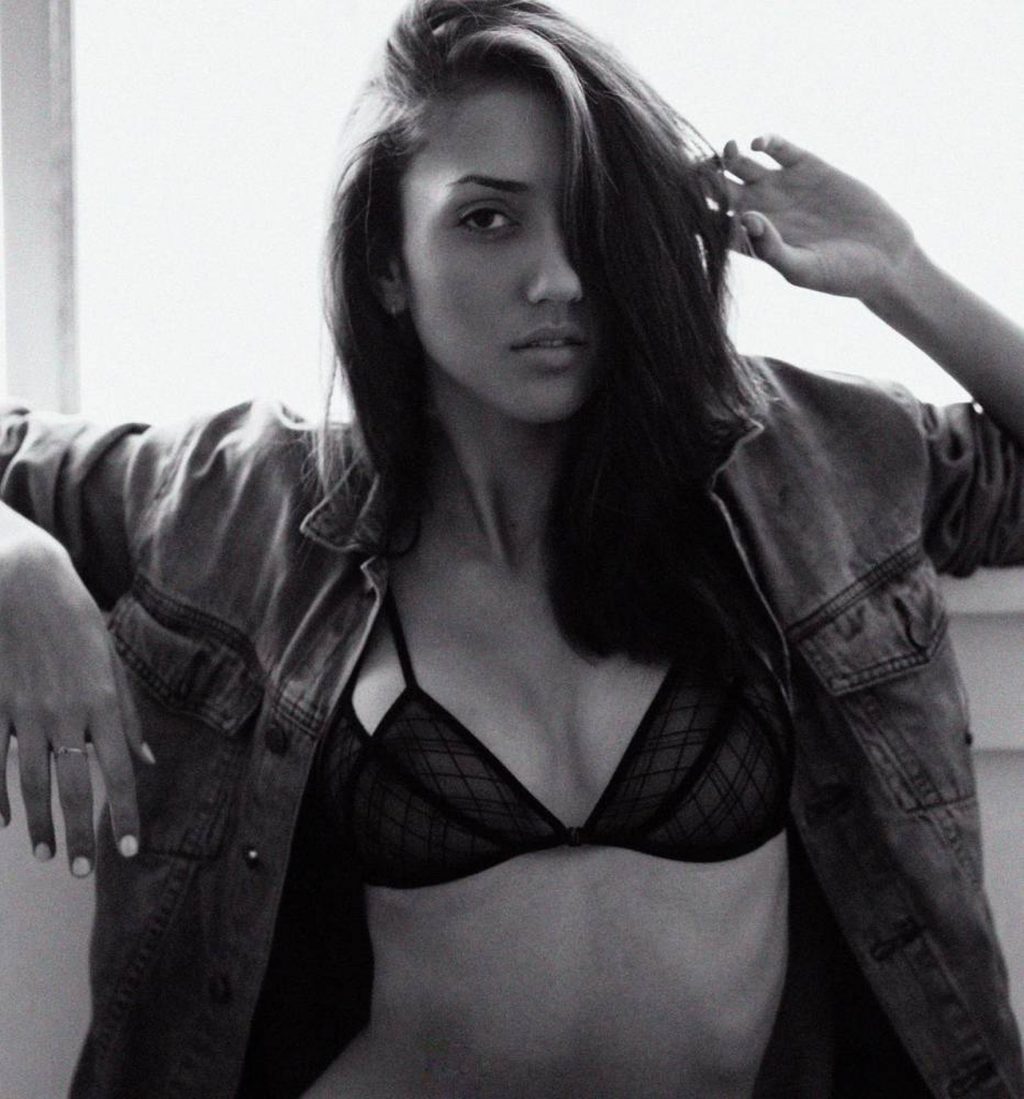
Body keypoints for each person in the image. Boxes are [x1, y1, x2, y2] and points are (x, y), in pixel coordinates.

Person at [1, 0, 1023, 1094]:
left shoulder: (798, 466)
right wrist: (18, 564)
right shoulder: (243, 498)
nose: (560, 279)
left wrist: (898, 271)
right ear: (387, 265)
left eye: (591, 219)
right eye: (488, 220)